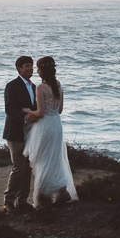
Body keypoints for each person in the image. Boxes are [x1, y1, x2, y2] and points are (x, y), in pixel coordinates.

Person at [23, 55, 77, 208]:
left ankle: (44, 196)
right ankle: (60, 190)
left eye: (38, 69)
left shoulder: (40, 87)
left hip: (45, 126)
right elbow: (59, 110)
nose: (37, 71)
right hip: (56, 125)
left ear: (42, 71)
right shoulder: (58, 86)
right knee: (54, 158)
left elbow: (40, 113)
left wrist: (27, 110)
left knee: (43, 159)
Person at [1, 55, 36, 212]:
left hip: (31, 133)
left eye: (31, 65)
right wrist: (24, 116)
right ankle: (8, 201)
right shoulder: (12, 86)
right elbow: (9, 109)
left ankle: (22, 200)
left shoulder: (35, 87)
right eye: (26, 66)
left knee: (27, 168)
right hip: (15, 132)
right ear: (19, 68)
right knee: (18, 167)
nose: (29, 68)